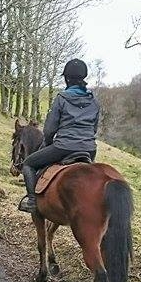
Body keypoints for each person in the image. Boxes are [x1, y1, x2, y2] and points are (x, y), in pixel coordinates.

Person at [18, 58, 100, 213]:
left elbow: (49, 130)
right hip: (89, 149)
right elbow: (94, 128)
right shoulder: (94, 101)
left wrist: (48, 143)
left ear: (67, 78)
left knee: (28, 164)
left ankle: (32, 201)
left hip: (63, 147)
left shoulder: (62, 98)